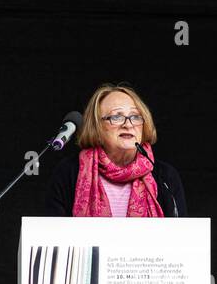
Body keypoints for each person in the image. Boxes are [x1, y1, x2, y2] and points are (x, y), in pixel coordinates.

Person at [44, 83, 188, 218]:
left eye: (135, 117)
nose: (128, 124)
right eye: (117, 117)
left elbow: (182, 238)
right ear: (96, 126)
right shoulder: (69, 172)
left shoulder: (165, 177)